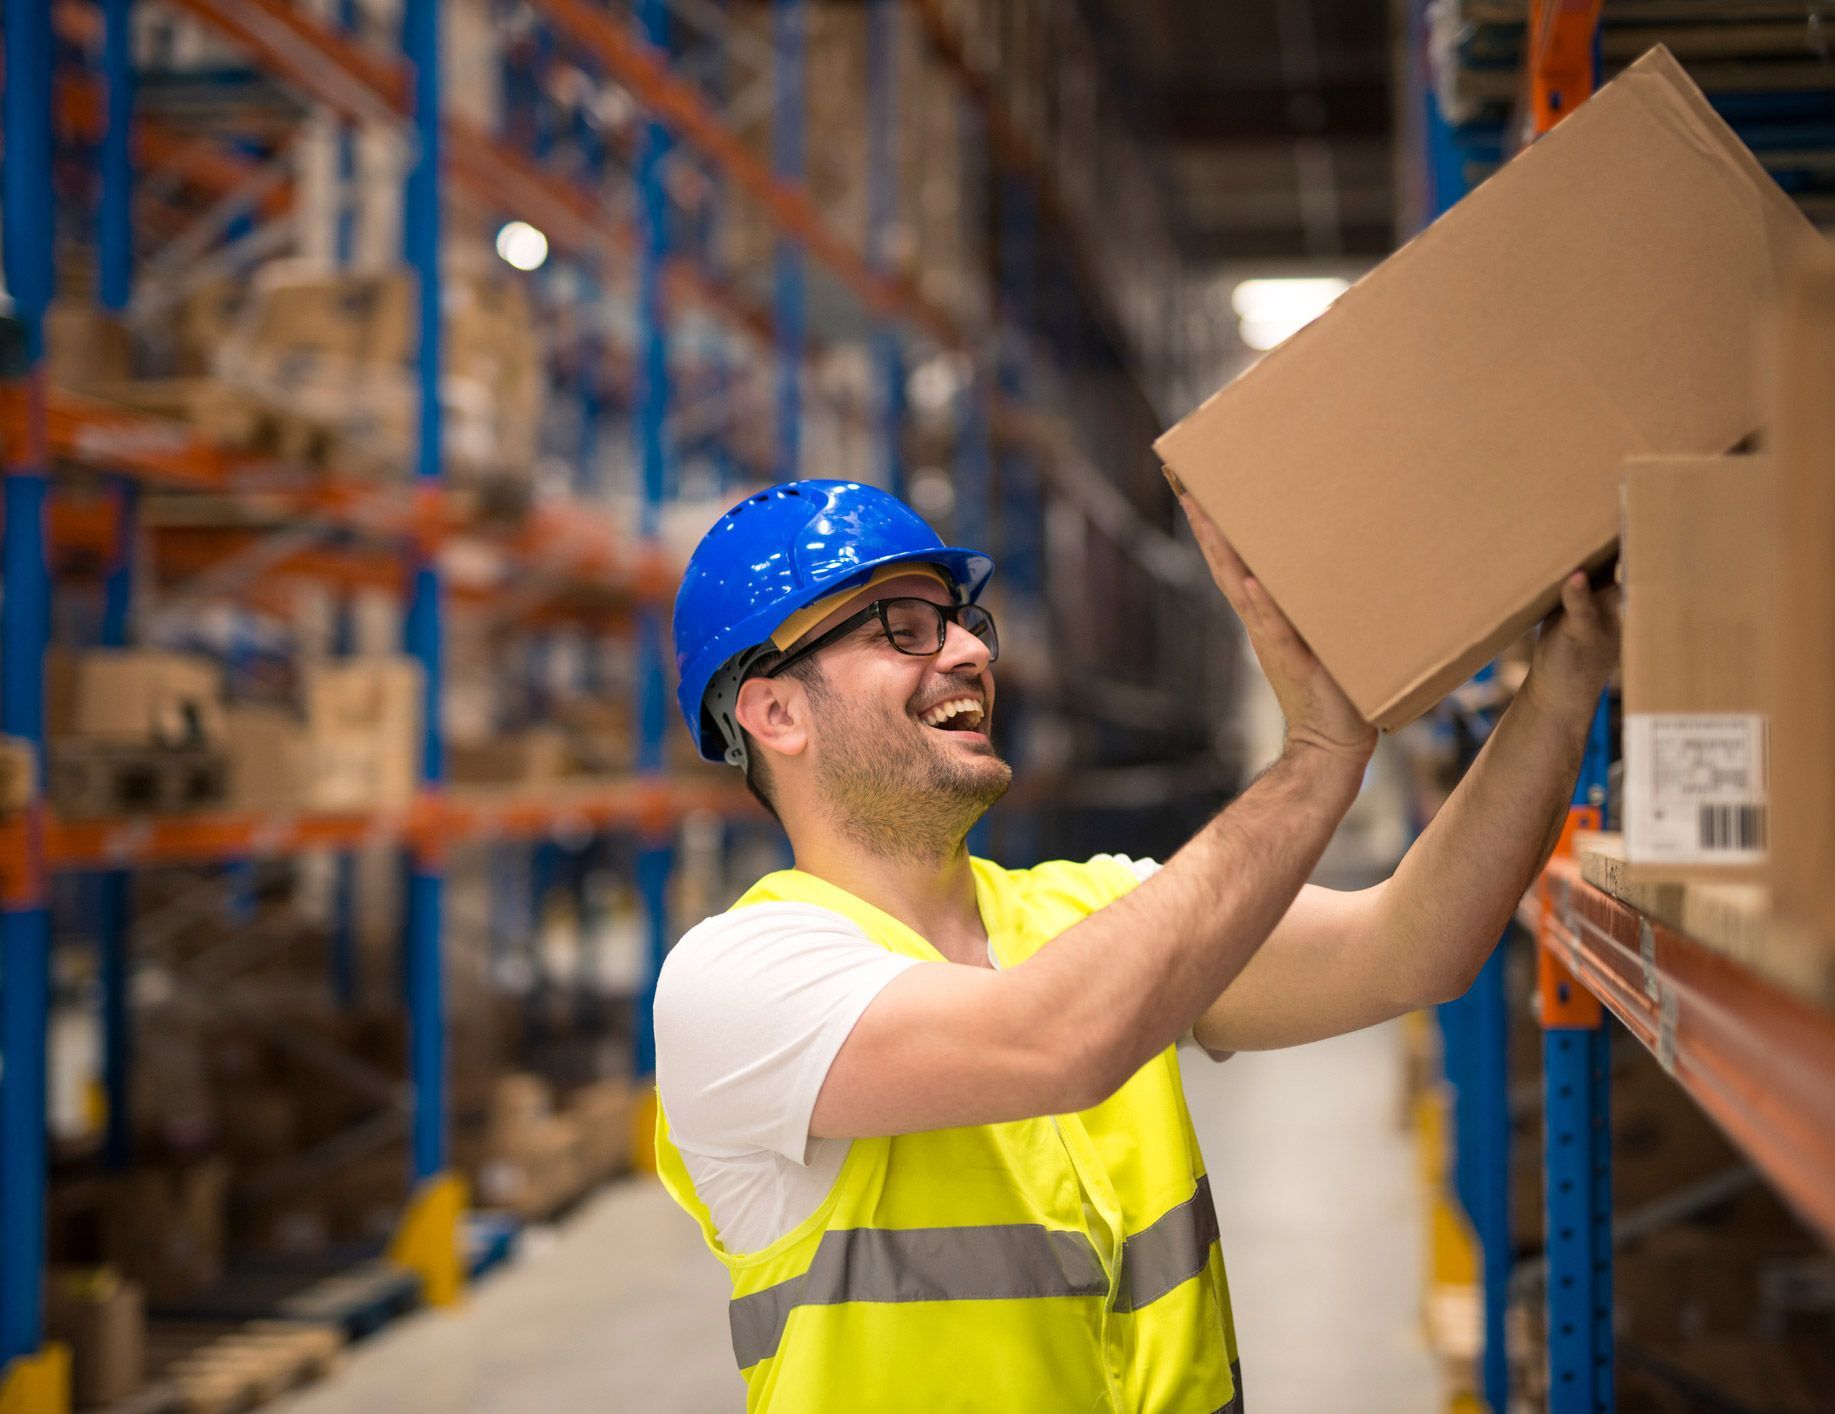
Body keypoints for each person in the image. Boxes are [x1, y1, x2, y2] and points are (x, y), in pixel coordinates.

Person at [653, 477, 1618, 1413]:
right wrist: (1317, 762)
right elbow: (1050, 1043)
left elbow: (1413, 947)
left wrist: (1567, 681)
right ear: (775, 713)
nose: (965, 653)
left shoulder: (1091, 910)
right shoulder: (735, 984)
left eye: (960, 622)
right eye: (901, 629)